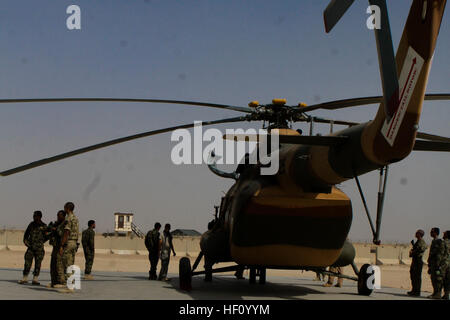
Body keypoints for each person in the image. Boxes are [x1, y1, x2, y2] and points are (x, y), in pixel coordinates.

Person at [18, 211, 48, 285]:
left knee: (38, 264)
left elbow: (47, 237)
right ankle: (25, 278)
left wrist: (40, 243)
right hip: (30, 248)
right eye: (34, 216)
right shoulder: (31, 224)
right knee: (27, 263)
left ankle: (35, 279)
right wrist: (27, 243)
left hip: (39, 249)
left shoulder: (44, 226)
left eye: (35, 216)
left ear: (40, 217)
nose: (34, 217)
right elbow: (26, 235)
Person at [59, 202, 79, 291]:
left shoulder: (68, 218)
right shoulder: (75, 218)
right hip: (74, 242)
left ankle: (70, 286)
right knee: (71, 263)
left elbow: (66, 232)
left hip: (69, 242)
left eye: (64, 207)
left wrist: (62, 245)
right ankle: (71, 285)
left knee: (67, 264)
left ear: (67, 208)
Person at [46, 210, 67, 288]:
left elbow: (63, 234)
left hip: (61, 246)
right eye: (57, 215)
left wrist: (56, 229)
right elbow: (50, 233)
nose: (58, 217)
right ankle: (53, 282)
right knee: (53, 264)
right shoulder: (57, 223)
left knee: (59, 264)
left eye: (60, 215)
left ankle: (61, 282)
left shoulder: (65, 224)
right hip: (55, 246)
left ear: (63, 216)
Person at [427, 227, 447, 299]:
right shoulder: (434, 241)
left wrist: (438, 264)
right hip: (433, 263)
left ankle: (438, 294)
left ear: (435, 233)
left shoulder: (439, 241)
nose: (430, 233)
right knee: (433, 279)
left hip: (437, 264)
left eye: (432, 232)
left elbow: (439, 254)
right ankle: (435, 293)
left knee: (437, 279)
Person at [407, 229, 427, 296]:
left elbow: (421, 249)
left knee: (417, 277)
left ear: (420, 234)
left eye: (417, 233)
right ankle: (414, 290)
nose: (415, 234)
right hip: (415, 261)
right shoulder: (418, 241)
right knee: (413, 275)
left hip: (418, 261)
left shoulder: (422, 242)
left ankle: (417, 291)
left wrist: (413, 252)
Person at [442, 230, 450, 300]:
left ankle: (445, 294)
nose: (443, 235)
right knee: (448, 280)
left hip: (444, 264)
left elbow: (440, 254)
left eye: (444, 234)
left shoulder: (444, 242)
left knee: (443, 279)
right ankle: (447, 294)